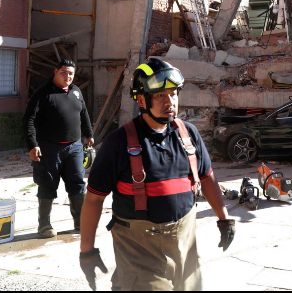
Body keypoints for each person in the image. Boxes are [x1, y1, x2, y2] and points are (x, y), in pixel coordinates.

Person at [78, 58, 235, 290]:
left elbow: (207, 178)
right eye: (161, 95)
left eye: (173, 94)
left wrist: (224, 218)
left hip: (185, 243)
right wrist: (87, 251)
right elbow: (94, 199)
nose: (170, 101)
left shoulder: (188, 135)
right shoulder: (118, 143)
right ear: (141, 100)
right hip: (139, 250)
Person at [24, 59, 94, 238]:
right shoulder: (42, 93)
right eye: (64, 72)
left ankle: (80, 223)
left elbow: (84, 113)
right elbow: (28, 119)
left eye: (71, 73)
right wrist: (32, 144)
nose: (68, 76)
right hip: (49, 149)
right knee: (47, 185)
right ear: (55, 72)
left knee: (78, 184)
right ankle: (44, 226)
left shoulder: (76, 92)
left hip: (75, 148)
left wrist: (89, 134)